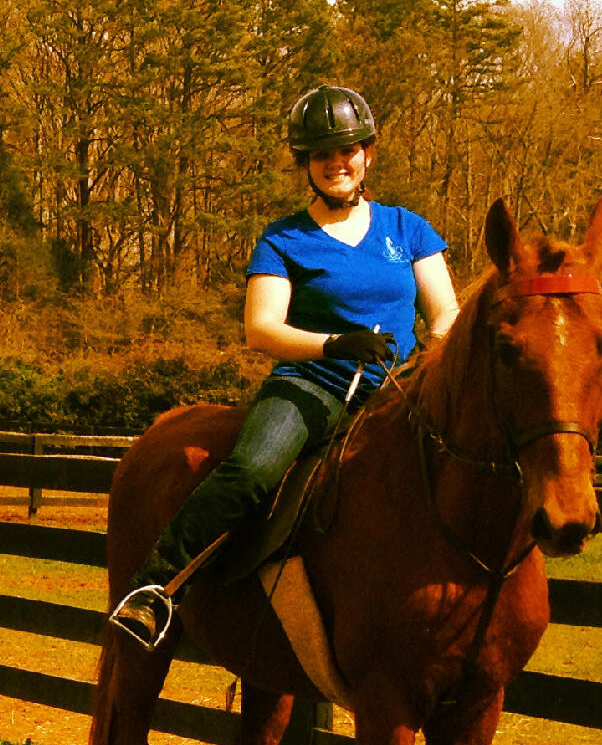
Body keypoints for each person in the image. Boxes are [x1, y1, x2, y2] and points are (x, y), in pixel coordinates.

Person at [110, 85, 459, 648]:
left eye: (346, 150)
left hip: (398, 391)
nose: (336, 163)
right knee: (251, 470)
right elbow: (262, 328)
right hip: (312, 386)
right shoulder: (283, 238)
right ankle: (155, 588)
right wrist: (332, 345)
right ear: (306, 165)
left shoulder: (407, 230)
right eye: (321, 154)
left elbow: (444, 312)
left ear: (367, 153)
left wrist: (428, 361)